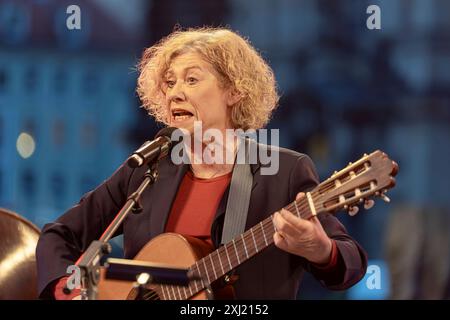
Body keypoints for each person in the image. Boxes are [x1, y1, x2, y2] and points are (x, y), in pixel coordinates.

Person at [36, 27, 367, 300]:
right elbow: (60, 234)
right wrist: (64, 289)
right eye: (169, 82)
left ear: (234, 91)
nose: (175, 93)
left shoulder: (283, 172)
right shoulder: (146, 170)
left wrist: (322, 250)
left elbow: (350, 262)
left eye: (191, 80)